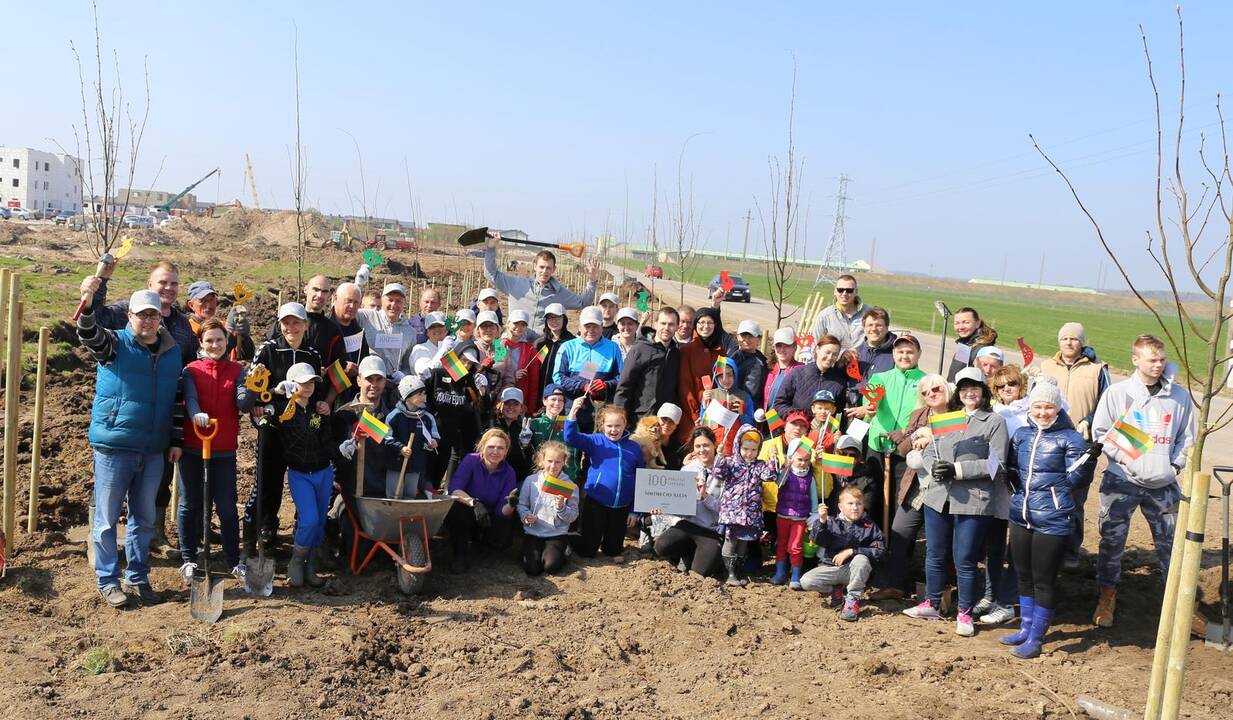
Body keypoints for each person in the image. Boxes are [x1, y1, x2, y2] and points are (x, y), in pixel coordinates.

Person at [80, 260, 196, 553]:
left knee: (159, 482)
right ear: (149, 286)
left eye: (173, 283)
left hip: (162, 415)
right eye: (162, 283)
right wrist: (96, 287)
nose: (168, 288)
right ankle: (100, 550)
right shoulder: (124, 311)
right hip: (122, 420)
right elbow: (96, 321)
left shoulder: (181, 324)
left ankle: (153, 537)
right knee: (109, 491)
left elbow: (191, 365)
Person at [77, 289, 183, 608]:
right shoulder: (114, 344)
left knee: (144, 517)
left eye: (153, 314)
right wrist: (89, 300)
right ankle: (108, 580)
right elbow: (87, 332)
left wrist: (175, 440)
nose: (148, 320)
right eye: (142, 315)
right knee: (108, 519)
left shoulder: (172, 351)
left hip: (153, 448)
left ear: (160, 317)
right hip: (114, 445)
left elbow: (177, 400)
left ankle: (137, 576)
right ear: (130, 317)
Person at [1090, 334, 1194, 628]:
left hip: (1163, 486)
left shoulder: (1178, 397)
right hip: (1121, 482)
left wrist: (1173, 466)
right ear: (1136, 360)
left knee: (1173, 544)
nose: (1159, 365)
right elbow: (1101, 434)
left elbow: (1186, 438)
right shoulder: (1119, 393)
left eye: (1162, 359)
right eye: (1152, 359)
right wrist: (1128, 459)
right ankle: (1107, 598)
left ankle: (1180, 606)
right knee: (1112, 542)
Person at [904, 367, 1009, 638]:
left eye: (974, 388)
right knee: (935, 554)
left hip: (972, 501)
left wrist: (957, 470)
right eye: (964, 389)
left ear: (984, 392)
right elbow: (930, 448)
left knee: (964, 559)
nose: (969, 393)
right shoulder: (950, 418)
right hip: (938, 498)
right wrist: (933, 466)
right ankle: (932, 602)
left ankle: (964, 611)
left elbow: (996, 464)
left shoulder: (993, 421)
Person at [1003, 381, 1089, 659]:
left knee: (1043, 580)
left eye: (1048, 407)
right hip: (1021, 515)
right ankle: (1025, 628)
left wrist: (1086, 462)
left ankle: (1037, 637)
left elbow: (1075, 481)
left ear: (1058, 408)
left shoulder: (1070, 438)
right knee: (1023, 575)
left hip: (1052, 519)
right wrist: (1012, 484)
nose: (1042, 412)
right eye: (1038, 407)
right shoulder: (1021, 435)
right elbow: (1015, 469)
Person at [243, 303, 328, 555]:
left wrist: (320, 404)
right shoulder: (268, 350)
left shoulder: (312, 354)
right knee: (267, 480)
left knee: (304, 476)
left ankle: (307, 536)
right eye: (286, 322)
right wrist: (265, 399)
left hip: (301, 428)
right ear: (279, 324)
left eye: (297, 322)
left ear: (305, 324)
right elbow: (252, 389)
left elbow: (316, 391)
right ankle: (253, 537)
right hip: (273, 423)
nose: (291, 327)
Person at [178, 318, 255, 586]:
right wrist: (195, 413)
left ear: (227, 342)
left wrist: (253, 389)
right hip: (193, 446)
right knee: (190, 503)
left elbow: (242, 402)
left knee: (226, 508)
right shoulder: (191, 370)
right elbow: (190, 398)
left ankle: (234, 561)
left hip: (223, 448)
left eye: (219, 340)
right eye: (209, 340)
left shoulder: (237, 371)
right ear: (201, 343)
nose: (214, 345)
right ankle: (189, 558)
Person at [870, 373, 949, 601]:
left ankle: (939, 593)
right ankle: (895, 584)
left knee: (939, 542)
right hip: (916, 484)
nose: (931, 394)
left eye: (935, 389)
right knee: (900, 532)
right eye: (925, 392)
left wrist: (932, 436)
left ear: (946, 389)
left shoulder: (956, 413)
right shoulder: (919, 414)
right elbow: (905, 450)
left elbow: (957, 440)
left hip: (945, 486)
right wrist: (911, 438)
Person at [1040, 322, 1110, 569]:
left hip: (1081, 444)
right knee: (1046, 495)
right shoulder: (1046, 366)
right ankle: (1047, 547)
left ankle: (1070, 551)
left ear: (1082, 342)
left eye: (1074, 339)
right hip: (1049, 441)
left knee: (1074, 499)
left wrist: (1089, 421)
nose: (1069, 343)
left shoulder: (1097, 370)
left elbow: (1106, 403)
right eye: (1064, 339)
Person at [268, 362, 336, 587]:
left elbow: (326, 439)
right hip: (300, 473)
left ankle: (311, 565)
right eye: (303, 382)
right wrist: (276, 392)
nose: (308, 386)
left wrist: (341, 451)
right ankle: (296, 562)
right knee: (309, 520)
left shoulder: (319, 410)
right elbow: (257, 406)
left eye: (312, 382)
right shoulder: (283, 410)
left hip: (323, 471)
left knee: (320, 521)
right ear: (291, 383)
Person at [565, 399, 644, 557]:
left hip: (622, 506)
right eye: (609, 426)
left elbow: (641, 481)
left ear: (625, 425)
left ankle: (608, 542)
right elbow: (570, 438)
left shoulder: (634, 448)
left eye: (618, 426)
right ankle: (566, 539)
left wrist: (634, 511)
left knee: (612, 550)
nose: (613, 430)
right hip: (596, 502)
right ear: (602, 426)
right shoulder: (596, 441)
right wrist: (573, 411)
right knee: (587, 551)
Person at [483, 232, 600, 334]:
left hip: (539, 346)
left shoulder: (559, 292)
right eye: (541, 267)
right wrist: (491, 248)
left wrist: (592, 281)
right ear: (534, 266)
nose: (544, 271)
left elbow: (583, 303)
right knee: (499, 354)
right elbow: (491, 274)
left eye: (548, 268)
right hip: (513, 340)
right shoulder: (516, 284)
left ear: (554, 269)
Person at [801, 485, 886, 622]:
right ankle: (836, 590)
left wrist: (853, 551)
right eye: (850, 503)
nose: (855, 507)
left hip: (855, 572)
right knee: (806, 581)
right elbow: (818, 540)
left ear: (863, 505)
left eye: (859, 504)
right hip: (832, 568)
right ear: (840, 506)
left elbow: (880, 550)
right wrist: (822, 521)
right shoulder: (833, 522)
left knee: (861, 559)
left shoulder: (869, 526)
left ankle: (853, 600)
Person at [443, 429, 519, 572]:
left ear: (506, 451)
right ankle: (460, 555)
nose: (495, 451)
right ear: (482, 446)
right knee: (456, 511)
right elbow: (455, 489)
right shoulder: (470, 460)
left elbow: (501, 511)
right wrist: (474, 503)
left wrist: (510, 505)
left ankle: (481, 542)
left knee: (504, 538)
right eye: (491, 447)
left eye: (500, 448)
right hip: (468, 508)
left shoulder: (509, 472)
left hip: (489, 516)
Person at [654, 427, 725, 578]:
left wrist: (705, 495)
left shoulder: (725, 470)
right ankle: (687, 553)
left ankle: (713, 559)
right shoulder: (688, 469)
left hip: (711, 531)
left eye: (706, 445)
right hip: (688, 525)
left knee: (699, 574)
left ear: (714, 445)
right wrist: (663, 507)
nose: (702, 450)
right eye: (698, 446)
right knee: (661, 546)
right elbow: (680, 504)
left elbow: (725, 510)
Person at [713, 425, 774, 587]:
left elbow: (771, 476)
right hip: (732, 512)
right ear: (738, 446)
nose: (749, 453)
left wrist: (773, 459)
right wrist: (719, 457)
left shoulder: (759, 465)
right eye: (745, 449)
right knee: (731, 541)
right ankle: (730, 573)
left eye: (754, 449)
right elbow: (718, 473)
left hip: (750, 513)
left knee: (743, 542)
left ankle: (738, 571)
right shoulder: (731, 462)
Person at [333, 356, 400, 500]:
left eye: (379, 379)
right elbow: (333, 457)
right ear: (358, 380)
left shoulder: (394, 417)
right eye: (369, 379)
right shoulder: (343, 415)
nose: (374, 384)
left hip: (385, 494)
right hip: (349, 492)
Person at [425, 346, 486, 489]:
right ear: (455, 358)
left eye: (470, 363)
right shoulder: (436, 375)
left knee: (435, 480)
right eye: (463, 360)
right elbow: (421, 399)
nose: (465, 365)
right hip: (429, 434)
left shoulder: (469, 382)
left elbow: (477, 409)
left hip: (449, 437)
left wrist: (483, 392)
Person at [552, 306, 622, 431]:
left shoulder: (613, 348)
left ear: (602, 327)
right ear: (579, 327)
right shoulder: (567, 347)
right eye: (587, 326)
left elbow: (620, 378)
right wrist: (582, 386)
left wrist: (606, 385)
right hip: (572, 408)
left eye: (595, 326)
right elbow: (558, 377)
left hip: (602, 411)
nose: (591, 330)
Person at [517, 441, 581, 576]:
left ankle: (564, 550)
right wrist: (526, 516)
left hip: (556, 534)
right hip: (533, 532)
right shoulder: (531, 481)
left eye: (558, 462)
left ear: (564, 462)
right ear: (542, 461)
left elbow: (573, 515)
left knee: (550, 567)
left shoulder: (570, 486)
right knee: (532, 569)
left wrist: (562, 508)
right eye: (549, 461)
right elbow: (521, 504)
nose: (553, 466)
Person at [266, 275, 347, 374]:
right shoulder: (284, 322)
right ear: (306, 290)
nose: (320, 295)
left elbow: (339, 369)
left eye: (324, 291)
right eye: (315, 289)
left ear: (330, 295)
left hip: (316, 386)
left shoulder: (333, 330)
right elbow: (268, 353)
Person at [614, 306, 680, 427]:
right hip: (640, 419)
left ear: (677, 327)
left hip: (665, 422)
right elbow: (624, 387)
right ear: (655, 324)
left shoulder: (676, 353)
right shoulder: (640, 349)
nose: (666, 328)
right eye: (663, 323)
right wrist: (619, 419)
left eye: (671, 324)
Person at [769, 438, 820, 589]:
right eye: (799, 459)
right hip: (783, 516)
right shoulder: (786, 473)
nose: (803, 463)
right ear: (791, 457)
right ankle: (780, 573)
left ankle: (796, 575)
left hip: (800, 518)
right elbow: (779, 483)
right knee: (782, 545)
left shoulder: (810, 478)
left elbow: (814, 497)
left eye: (806, 460)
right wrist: (783, 466)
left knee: (795, 546)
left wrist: (815, 515)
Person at [383, 375, 440, 499]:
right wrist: (400, 448)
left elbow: (434, 435)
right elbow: (387, 438)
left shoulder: (427, 417)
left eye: (424, 394)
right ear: (407, 397)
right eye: (419, 394)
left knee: (410, 494)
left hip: (416, 464)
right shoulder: (395, 416)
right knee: (394, 494)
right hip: (396, 464)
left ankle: (407, 515)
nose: (424, 397)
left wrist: (432, 443)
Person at [772, 334, 850, 420]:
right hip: (797, 429)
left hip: (822, 432)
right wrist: (800, 418)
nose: (830, 357)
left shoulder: (839, 382)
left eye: (835, 354)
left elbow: (838, 412)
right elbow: (779, 404)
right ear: (817, 349)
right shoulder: (797, 374)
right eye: (827, 352)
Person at [356, 282, 417, 380]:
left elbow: (408, 364)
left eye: (398, 301)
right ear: (382, 301)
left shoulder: (410, 332)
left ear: (404, 304)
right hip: (370, 381)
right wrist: (358, 284)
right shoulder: (368, 317)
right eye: (390, 300)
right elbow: (348, 311)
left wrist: (403, 375)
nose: (394, 305)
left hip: (394, 385)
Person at [698, 356, 755, 454]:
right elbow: (703, 423)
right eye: (721, 376)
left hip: (736, 448)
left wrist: (742, 415)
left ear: (735, 375)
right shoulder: (710, 395)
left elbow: (751, 424)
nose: (725, 379)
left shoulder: (744, 396)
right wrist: (704, 404)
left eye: (729, 375)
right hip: (714, 447)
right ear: (716, 377)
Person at [528, 384, 580, 483]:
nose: (557, 403)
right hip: (538, 477)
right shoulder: (534, 423)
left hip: (563, 478)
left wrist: (571, 478)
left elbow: (573, 455)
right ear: (544, 401)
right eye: (553, 399)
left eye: (561, 400)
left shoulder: (570, 424)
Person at [810, 274, 869, 352]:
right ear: (835, 291)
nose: (844, 293)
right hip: (834, 362)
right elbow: (815, 346)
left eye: (849, 290)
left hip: (864, 362)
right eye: (840, 290)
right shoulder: (825, 316)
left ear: (856, 292)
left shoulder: (868, 313)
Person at [850, 307, 896, 396]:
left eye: (879, 325)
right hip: (852, 408)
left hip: (880, 408)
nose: (874, 329)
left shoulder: (896, 355)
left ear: (887, 328)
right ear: (864, 328)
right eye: (870, 325)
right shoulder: (855, 354)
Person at [327, 282, 370, 376]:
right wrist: (341, 369)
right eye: (348, 301)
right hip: (330, 387)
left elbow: (365, 359)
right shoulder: (325, 328)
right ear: (335, 299)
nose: (352, 306)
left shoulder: (359, 332)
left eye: (356, 302)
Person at [502, 310, 541, 413]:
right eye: (516, 323)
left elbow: (534, 382)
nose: (519, 327)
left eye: (523, 325)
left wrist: (530, 409)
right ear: (508, 323)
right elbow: (497, 372)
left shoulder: (530, 349)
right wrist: (513, 376)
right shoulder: (499, 345)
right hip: (501, 397)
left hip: (520, 400)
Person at [533, 303, 574, 400]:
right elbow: (536, 366)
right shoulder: (540, 343)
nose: (554, 321)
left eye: (558, 317)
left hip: (563, 394)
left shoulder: (572, 343)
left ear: (564, 319)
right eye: (550, 318)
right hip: (540, 392)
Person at [946, 307, 998, 381]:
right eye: (957, 323)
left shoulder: (983, 349)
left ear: (977, 323)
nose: (960, 327)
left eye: (966, 322)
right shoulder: (966, 344)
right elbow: (955, 372)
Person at [491, 387, 533, 481]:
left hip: (516, 478)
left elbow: (529, 460)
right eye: (507, 403)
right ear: (501, 405)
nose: (511, 407)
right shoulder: (492, 424)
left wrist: (525, 445)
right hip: (492, 475)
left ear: (521, 408)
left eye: (515, 404)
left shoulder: (526, 428)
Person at [763, 327, 801, 412]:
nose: (782, 350)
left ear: (795, 346)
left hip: (787, 422)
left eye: (787, 346)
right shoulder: (769, 369)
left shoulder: (800, 371)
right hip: (767, 420)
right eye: (779, 346)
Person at [734, 320, 769, 411]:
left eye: (751, 336)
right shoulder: (736, 355)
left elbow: (750, 395)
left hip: (741, 410)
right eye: (743, 336)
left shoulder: (757, 364)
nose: (746, 339)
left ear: (758, 339)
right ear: (737, 337)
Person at [410, 311, 453, 379]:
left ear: (446, 330)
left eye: (440, 325)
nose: (437, 329)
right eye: (432, 327)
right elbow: (426, 373)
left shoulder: (450, 348)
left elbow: (457, 376)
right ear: (427, 332)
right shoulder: (419, 349)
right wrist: (444, 350)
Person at [657, 403, 687, 470]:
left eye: (671, 422)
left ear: (676, 426)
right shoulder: (646, 444)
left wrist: (685, 465)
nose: (667, 424)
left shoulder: (680, 449)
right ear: (657, 419)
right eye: (664, 419)